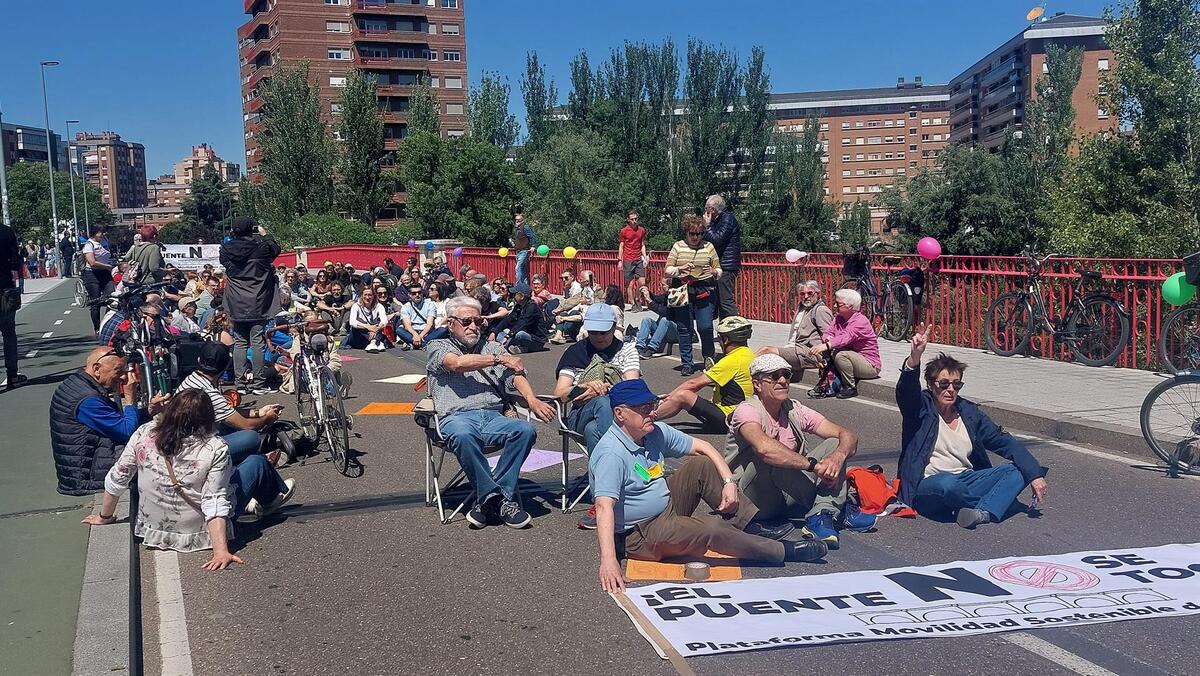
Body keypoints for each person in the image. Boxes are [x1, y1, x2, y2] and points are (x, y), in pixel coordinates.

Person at [591, 379, 827, 592]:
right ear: (620, 414)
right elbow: (603, 507)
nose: (651, 413)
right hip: (641, 533)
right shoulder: (612, 453)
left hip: (665, 506)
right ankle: (782, 550)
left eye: (651, 406)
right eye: (643, 409)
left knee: (702, 465)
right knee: (711, 529)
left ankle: (749, 524)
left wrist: (728, 483)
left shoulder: (653, 432)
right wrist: (608, 560)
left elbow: (703, 447)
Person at [82, 390, 296, 567]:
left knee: (231, 468)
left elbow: (119, 475)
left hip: (155, 528)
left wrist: (105, 516)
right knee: (256, 462)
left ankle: (261, 490)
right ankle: (269, 499)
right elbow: (214, 499)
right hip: (197, 529)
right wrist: (221, 551)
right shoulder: (214, 447)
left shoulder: (145, 433)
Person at [898, 324, 1048, 529]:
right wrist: (914, 358)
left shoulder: (969, 412)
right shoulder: (920, 408)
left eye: (956, 384)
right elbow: (906, 392)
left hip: (966, 478)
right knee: (948, 485)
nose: (950, 390)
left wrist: (1035, 475)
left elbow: (1004, 441)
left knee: (1020, 470)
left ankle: (981, 512)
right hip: (929, 484)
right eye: (943, 384)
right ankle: (996, 501)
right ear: (931, 384)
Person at [426, 296, 556, 528]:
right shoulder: (438, 346)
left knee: (524, 430)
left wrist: (532, 399)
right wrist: (499, 359)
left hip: (493, 417)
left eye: (478, 321)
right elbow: (457, 363)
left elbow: (515, 373)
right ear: (451, 323)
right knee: (464, 435)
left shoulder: (493, 346)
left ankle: (490, 499)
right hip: (456, 417)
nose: (473, 326)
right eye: (467, 321)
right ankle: (498, 499)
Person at [726, 353, 876, 550]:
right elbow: (764, 449)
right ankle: (834, 507)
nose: (782, 381)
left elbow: (847, 435)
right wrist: (814, 466)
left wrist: (836, 459)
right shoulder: (747, 410)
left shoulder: (793, 409)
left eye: (786, 375)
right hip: (754, 498)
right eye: (774, 376)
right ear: (757, 385)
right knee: (769, 454)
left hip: (788, 493)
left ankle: (822, 514)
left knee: (833, 444)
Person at [49, 347, 171, 495]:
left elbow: (115, 422)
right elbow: (127, 433)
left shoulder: (79, 384)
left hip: (88, 463)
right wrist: (130, 400)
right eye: (118, 371)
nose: (124, 378)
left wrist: (149, 410)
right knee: (158, 452)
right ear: (97, 369)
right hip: (89, 474)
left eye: (125, 372)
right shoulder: (87, 400)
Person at [178, 341, 287, 465]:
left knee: (229, 426)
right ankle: (257, 460)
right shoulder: (209, 394)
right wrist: (267, 418)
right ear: (225, 367)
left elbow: (228, 412)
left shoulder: (192, 379)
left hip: (186, 440)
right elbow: (247, 425)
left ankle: (251, 457)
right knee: (251, 437)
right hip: (195, 452)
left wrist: (259, 412)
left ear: (199, 360)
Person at [553, 303, 640, 454]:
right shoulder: (574, 352)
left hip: (621, 413)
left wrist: (604, 389)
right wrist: (584, 388)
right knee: (602, 402)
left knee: (592, 430)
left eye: (604, 332)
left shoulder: (626, 350)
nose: (599, 337)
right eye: (593, 332)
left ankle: (601, 476)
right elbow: (559, 394)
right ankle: (627, 458)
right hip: (581, 413)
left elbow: (632, 388)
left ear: (614, 328)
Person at [653, 316, 755, 433]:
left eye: (719, 338)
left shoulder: (732, 361)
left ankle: (646, 419)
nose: (719, 342)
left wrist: (667, 398)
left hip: (728, 418)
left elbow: (693, 384)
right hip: (744, 416)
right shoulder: (749, 355)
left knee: (683, 396)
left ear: (726, 340)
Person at [219, 218, 281, 394]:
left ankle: (240, 384)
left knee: (239, 342)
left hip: (236, 302)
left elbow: (225, 262)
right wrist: (265, 234)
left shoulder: (226, 250)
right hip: (258, 300)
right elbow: (275, 249)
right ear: (250, 230)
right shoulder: (260, 248)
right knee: (257, 343)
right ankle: (258, 384)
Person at [666, 215, 721, 375]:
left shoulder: (709, 247)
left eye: (699, 234)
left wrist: (713, 272)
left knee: (705, 326)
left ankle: (709, 360)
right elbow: (668, 269)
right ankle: (687, 363)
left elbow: (719, 270)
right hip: (682, 290)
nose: (695, 237)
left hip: (704, 290)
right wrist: (680, 269)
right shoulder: (677, 247)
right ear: (686, 233)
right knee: (684, 328)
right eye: (692, 233)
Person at [810, 288, 881, 400]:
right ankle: (829, 383)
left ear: (850, 306)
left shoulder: (860, 321)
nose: (834, 306)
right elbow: (827, 332)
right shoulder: (839, 318)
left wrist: (827, 345)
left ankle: (850, 386)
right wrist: (828, 338)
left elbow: (845, 338)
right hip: (852, 359)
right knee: (830, 353)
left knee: (840, 355)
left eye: (838, 304)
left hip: (869, 365)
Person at [758, 280, 835, 382]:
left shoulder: (820, 310)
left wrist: (826, 356)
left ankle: (744, 368)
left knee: (766, 350)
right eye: (802, 294)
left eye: (810, 293)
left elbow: (830, 335)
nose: (806, 296)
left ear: (817, 293)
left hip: (808, 353)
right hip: (795, 349)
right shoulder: (801, 307)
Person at [702, 194, 742, 318]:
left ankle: (735, 330)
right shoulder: (718, 220)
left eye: (706, 208)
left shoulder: (727, 219)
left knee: (726, 301)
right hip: (719, 265)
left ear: (712, 209)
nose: (705, 211)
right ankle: (724, 334)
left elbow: (717, 239)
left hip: (726, 266)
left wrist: (708, 225)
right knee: (719, 302)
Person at [1, 219, 24, 390]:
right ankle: (12, 375)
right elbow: (16, 262)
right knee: (9, 333)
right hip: (4, 290)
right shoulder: (6, 232)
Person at [81, 225, 117, 334]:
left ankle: (108, 323)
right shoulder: (89, 245)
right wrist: (106, 266)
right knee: (95, 302)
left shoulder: (104, 241)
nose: (102, 234)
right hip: (92, 274)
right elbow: (92, 262)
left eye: (103, 232)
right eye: (100, 232)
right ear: (94, 233)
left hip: (104, 273)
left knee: (112, 298)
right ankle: (97, 328)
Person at [633, 277, 680, 359]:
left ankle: (651, 348)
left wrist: (649, 301)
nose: (661, 286)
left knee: (665, 319)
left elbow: (664, 312)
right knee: (646, 320)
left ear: (670, 286)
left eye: (663, 285)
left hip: (675, 331)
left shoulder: (675, 297)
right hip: (664, 330)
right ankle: (639, 346)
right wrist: (648, 293)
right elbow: (657, 299)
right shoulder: (665, 296)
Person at [396, 282, 446, 350]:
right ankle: (424, 344)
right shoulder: (405, 307)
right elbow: (407, 325)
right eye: (414, 293)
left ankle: (415, 345)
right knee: (399, 330)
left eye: (419, 292)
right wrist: (415, 335)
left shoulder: (430, 304)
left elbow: (430, 324)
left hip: (427, 333)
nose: (417, 295)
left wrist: (421, 335)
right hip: (412, 333)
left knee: (442, 330)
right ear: (409, 295)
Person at [499, 283, 546, 354]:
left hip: (536, 339)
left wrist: (508, 336)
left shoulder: (532, 307)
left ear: (522, 296)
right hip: (521, 335)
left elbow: (522, 323)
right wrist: (494, 332)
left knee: (519, 334)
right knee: (500, 335)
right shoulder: (518, 306)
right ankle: (521, 348)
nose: (513, 295)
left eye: (515, 294)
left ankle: (516, 346)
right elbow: (508, 319)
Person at [617, 210, 648, 311]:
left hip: (638, 258)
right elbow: (621, 246)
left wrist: (645, 256)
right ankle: (633, 303)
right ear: (628, 220)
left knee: (641, 282)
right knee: (630, 284)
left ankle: (638, 299)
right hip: (628, 259)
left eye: (636, 219)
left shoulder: (641, 230)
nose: (634, 221)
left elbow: (642, 244)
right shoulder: (624, 231)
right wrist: (620, 260)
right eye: (632, 219)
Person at [345, 287, 391, 352]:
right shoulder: (356, 306)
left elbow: (384, 320)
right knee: (359, 322)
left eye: (370, 295)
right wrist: (368, 327)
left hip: (371, 336)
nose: (367, 297)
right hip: (358, 338)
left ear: (373, 296)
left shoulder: (379, 306)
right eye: (365, 295)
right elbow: (352, 322)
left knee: (377, 321)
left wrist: (376, 328)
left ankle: (374, 342)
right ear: (361, 296)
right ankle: (376, 342)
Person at [512, 212, 537, 287]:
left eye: (519, 220)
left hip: (524, 251)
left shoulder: (525, 227)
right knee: (522, 270)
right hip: (518, 251)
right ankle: (525, 286)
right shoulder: (517, 229)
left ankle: (518, 286)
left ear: (522, 220)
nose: (517, 221)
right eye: (516, 220)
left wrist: (533, 246)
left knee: (518, 268)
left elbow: (532, 236)